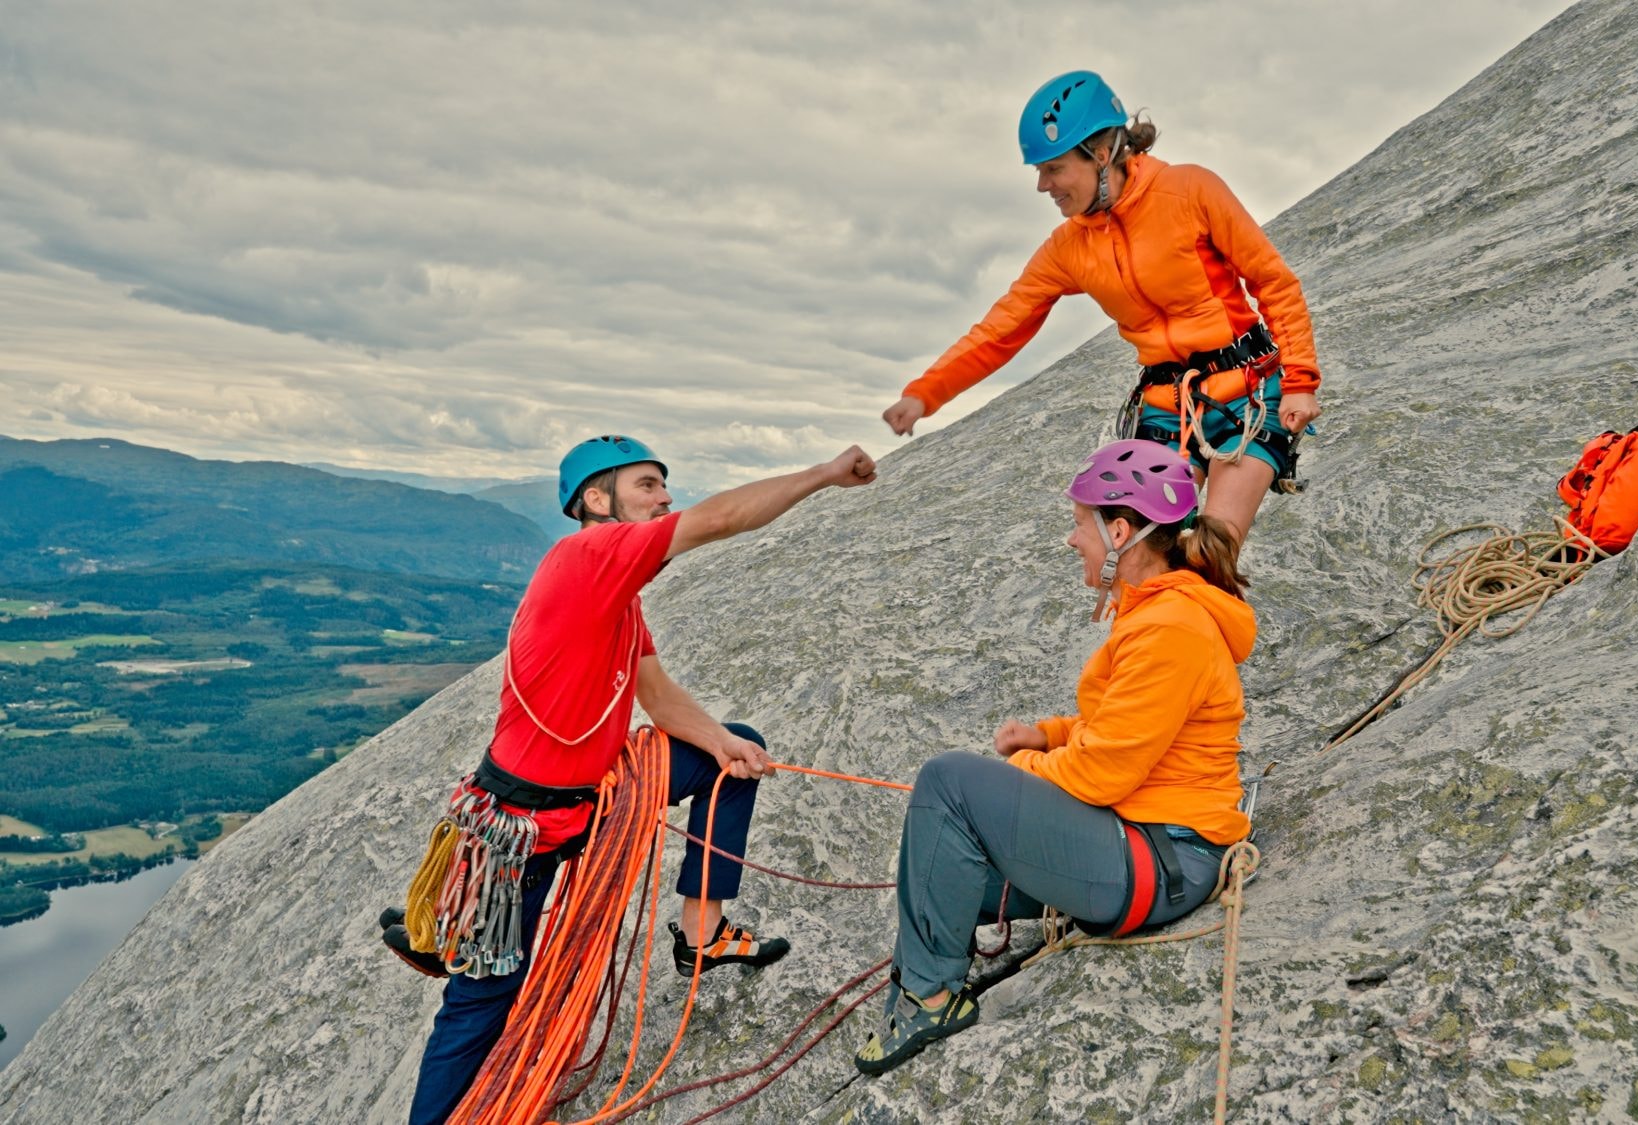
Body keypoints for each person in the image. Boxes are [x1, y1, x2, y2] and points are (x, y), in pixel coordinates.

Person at [384, 434, 877, 1125]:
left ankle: (701, 934)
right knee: (484, 997)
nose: (665, 497)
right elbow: (719, 519)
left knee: (732, 754)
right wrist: (823, 473)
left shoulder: (619, 600)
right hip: (522, 833)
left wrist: (723, 743)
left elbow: (658, 696)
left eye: (664, 485)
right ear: (596, 499)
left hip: (584, 804)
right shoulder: (588, 557)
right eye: (647, 485)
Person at [854, 439, 1255, 1075]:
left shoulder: (1170, 626)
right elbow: (1125, 726)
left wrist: (1019, 774)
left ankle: (929, 999)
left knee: (948, 782)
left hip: (1161, 860)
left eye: (1079, 524)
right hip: (1145, 846)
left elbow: (1102, 772)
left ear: (1119, 531)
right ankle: (920, 980)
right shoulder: (1155, 613)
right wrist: (1049, 737)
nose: (1073, 540)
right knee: (940, 860)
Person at [882, 70, 1323, 539]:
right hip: (1166, 407)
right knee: (1141, 553)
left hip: (1247, 392)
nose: (1043, 185)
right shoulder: (1067, 247)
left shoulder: (1190, 190)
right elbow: (1001, 328)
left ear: (1100, 155)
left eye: (1054, 168)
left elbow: (1272, 282)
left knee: (1213, 549)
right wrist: (924, 393)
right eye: (1039, 171)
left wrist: (1299, 381)